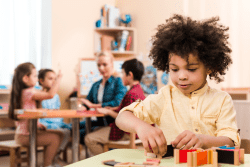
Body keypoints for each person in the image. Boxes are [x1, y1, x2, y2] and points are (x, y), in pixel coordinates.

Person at [115, 14, 240, 157]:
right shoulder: (164, 97)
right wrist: (141, 126)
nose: (181, 76)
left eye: (191, 69)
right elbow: (122, 117)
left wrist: (203, 140)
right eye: (174, 69)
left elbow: (231, 142)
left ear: (210, 66)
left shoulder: (221, 100)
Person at [84, 58, 145, 155]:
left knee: (89, 138)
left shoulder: (132, 94)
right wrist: (112, 109)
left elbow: (127, 119)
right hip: (134, 131)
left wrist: (108, 112)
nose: (121, 77)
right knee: (96, 130)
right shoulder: (138, 90)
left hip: (127, 133)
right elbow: (126, 110)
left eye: (123, 73)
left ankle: (107, 162)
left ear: (130, 75)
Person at [9, 62, 64, 167]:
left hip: (26, 133)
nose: (37, 78)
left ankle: (51, 162)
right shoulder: (29, 92)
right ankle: (47, 164)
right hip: (25, 136)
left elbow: (30, 113)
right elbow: (50, 94)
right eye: (35, 76)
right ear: (25, 78)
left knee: (60, 134)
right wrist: (59, 78)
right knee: (55, 138)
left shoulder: (25, 92)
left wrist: (38, 124)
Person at [78, 51, 127, 144]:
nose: (101, 68)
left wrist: (94, 105)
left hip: (113, 124)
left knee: (81, 134)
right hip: (99, 122)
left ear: (112, 64)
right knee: (72, 127)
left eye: (105, 64)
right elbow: (88, 102)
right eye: (99, 65)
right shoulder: (96, 85)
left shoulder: (118, 81)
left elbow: (118, 102)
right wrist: (83, 107)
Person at [38, 69, 71, 160]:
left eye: (55, 79)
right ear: (41, 81)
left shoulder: (56, 96)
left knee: (68, 131)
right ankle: (52, 157)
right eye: (50, 78)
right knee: (62, 132)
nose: (54, 81)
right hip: (45, 123)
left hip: (57, 122)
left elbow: (57, 110)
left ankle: (56, 154)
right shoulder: (39, 95)